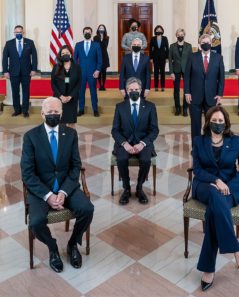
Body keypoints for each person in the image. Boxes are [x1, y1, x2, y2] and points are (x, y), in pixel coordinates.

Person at [20, 97, 94, 273]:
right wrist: (48, 195)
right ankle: (53, 248)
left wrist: (63, 191)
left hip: (66, 186)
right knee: (36, 221)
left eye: (56, 112)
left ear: (61, 113)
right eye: (49, 112)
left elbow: (76, 166)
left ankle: (72, 244)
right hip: (41, 190)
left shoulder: (70, 134)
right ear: (42, 113)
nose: (53, 115)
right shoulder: (31, 137)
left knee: (87, 209)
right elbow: (27, 174)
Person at [192, 105, 239, 291]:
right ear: (208, 121)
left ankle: (208, 269)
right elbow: (197, 169)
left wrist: (229, 185)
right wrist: (216, 180)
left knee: (214, 213)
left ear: (225, 123)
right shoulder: (199, 141)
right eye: (214, 120)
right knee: (213, 193)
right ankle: (236, 250)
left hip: (229, 188)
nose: (217, 123)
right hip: (205, 186)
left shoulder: (235, 142)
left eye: (221, 121)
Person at [112, 77, 159, 205]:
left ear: (141, 90)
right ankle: (126, 189)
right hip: (124, 142)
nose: (134, 91)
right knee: (121, 159)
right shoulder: (120, 107)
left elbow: (154, 130)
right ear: (127, 91)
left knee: (145, 160)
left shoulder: (150, 106)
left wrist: (143, 143)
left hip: (143, 142)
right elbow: (115, 130)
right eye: (131, 89)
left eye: (136, 89)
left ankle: (139, 188)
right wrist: (124, 144)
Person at [184, 34, 225, 144]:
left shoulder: (218, 58)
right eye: (203, 43)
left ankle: (207, 146)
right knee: (195, 124)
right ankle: (196, 147)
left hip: (211, 96)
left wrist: (220, 94)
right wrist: (187, 92)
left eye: (207, 42)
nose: (205, 44)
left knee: (210, 123)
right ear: (199, 44)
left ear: (211, 44)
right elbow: (187, 76)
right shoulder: (192, 57)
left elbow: (221, 78)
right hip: (194, 96)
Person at [2, 25, 37, 118]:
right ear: (14, 33)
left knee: (26, 92)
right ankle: (17, 110)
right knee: (15, 92)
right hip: (13, 72)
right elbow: (5, 58)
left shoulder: (30, 42)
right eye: (16, 32)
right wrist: (5, 71)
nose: (18, 34)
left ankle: (25, 110)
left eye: (20, 32)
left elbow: (34, 56)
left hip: (26, 72)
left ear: (23, 32)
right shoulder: (9, 43)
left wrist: (34, 69)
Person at [74, 26, 102, 117]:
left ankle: (95, 109)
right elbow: (74, 59)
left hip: (93, 73)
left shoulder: (96, 45)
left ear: (91, 33)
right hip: (81, 73)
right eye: (85, 32)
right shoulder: (78, 45)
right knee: (81, 92)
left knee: (93, 92)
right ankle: (81, 109)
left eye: (89, 32)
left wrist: (98, 70)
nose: (87, 33)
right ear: (83, 33)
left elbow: (100, 59)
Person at [51, 45, 81, 127]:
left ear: (71, 54)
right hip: (59, 99)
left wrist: (70, 96)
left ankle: (71, 139)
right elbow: (53, 84)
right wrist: (61, 96)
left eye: (67, 53)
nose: (65, 54)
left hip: (72, 99)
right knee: (60, 123)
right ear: (60, 55)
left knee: (71, 123)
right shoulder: (56, 67)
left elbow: (79, 84)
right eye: (63, 53)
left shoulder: (77, 67)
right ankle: (61, 139)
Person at [169, 28, 192, 116]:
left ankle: (185, 108)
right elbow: (170, 60)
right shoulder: (172, 46)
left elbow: (191, 59)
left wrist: (191, 71)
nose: (180, 36)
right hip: (176, 70)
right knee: (176, 90)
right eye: (179, 35)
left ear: (184, 35)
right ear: (176, 35)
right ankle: (177, 108)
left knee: (186, 90)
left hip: (186, 70)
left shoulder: (189, 46)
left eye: (182, 35)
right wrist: (171, 72)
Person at [150, 25, 169, 91]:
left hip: (163, 57)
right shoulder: (153, 38)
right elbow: (150, 49)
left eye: (160, 30)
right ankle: (156, 87)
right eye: (157, 30)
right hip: (155, 57)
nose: (159, 31)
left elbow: (167, 48)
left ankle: (163, 86)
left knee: (162, 72)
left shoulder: (165, 38)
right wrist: (151, 58)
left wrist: (167, 57)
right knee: (156, 72)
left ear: (162, 31)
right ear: (155, 31)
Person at [93, 24, 110, 91]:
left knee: (104, 72)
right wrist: (100, 38)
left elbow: (105, 46)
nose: (101, 29)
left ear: (104, 29)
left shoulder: (107, 37)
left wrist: (102, 37)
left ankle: (104, 85)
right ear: (98, 29)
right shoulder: (95, 37)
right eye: (100, 28)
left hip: (105, 55)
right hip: (98, 56)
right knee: (99, 72)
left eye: (102, 28)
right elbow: (96, 46)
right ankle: (100, 85)